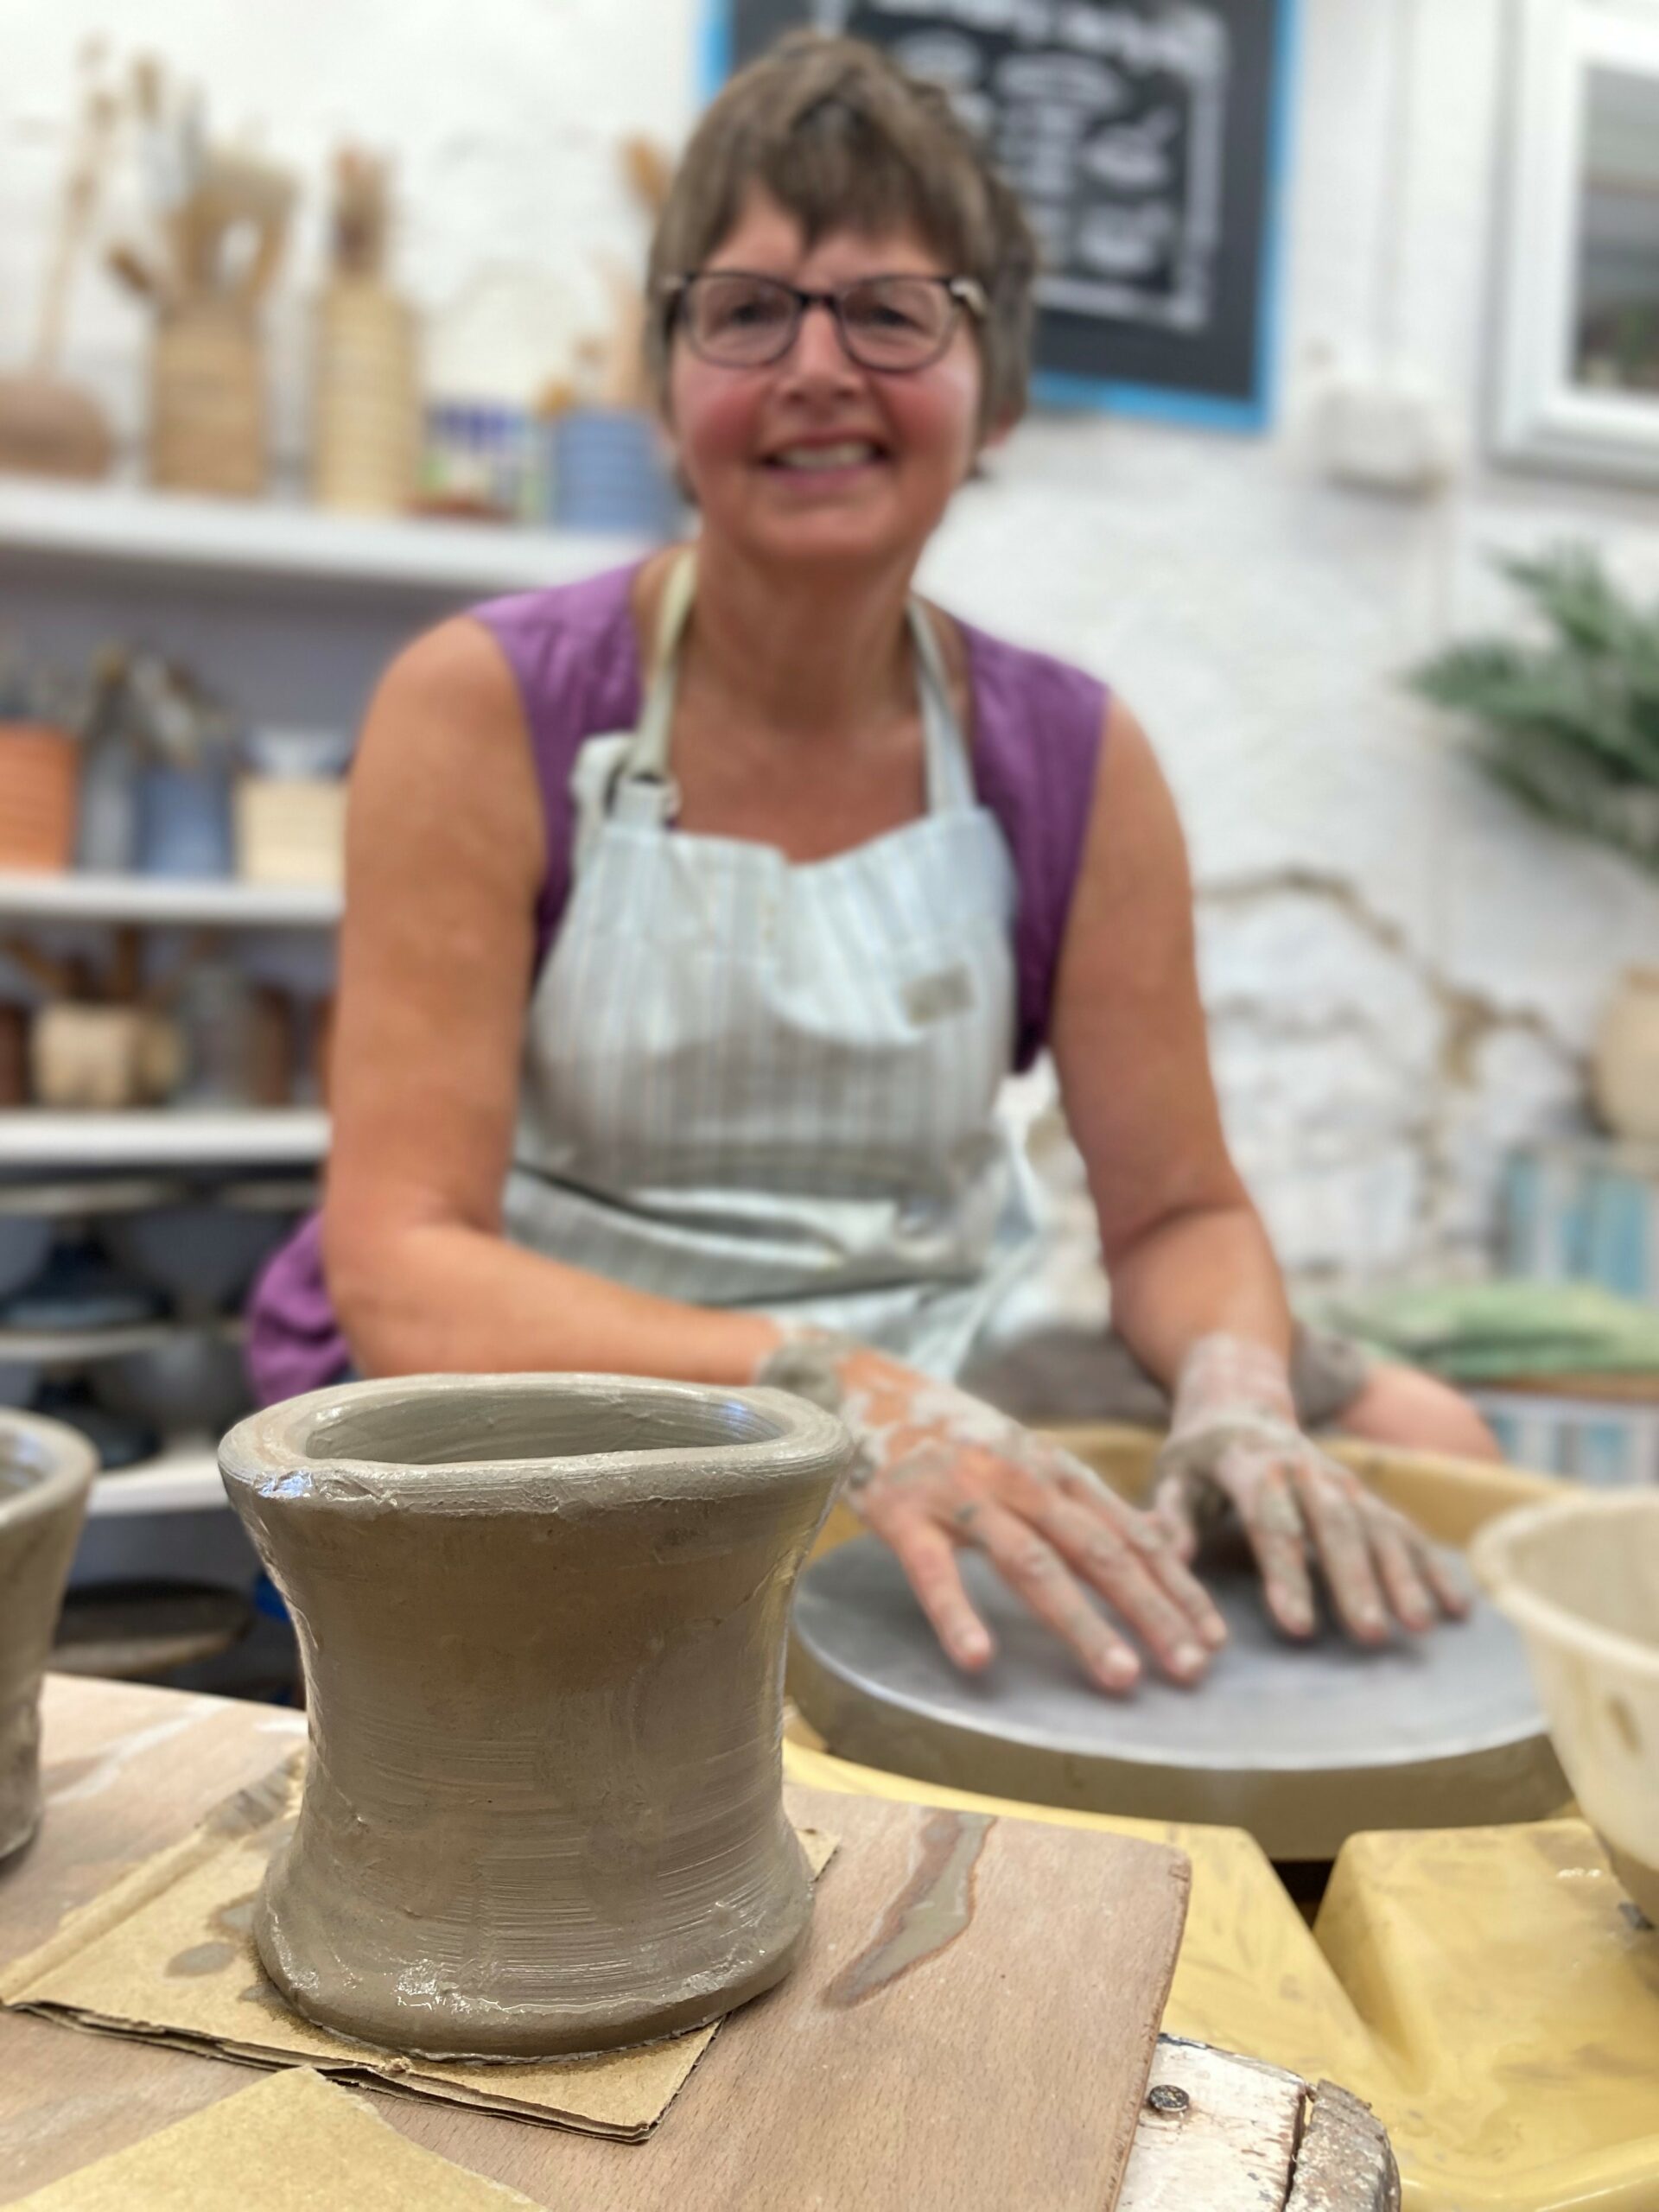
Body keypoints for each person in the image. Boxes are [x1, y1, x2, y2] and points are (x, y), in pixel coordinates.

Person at [249, 33, 1495, 1695]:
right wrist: (824, 1387)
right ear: (667, 382)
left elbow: (1182, 1209)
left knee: (1421, 1428)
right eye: (748, 310)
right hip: (555, 1382)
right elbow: (403, 1264)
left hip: (929, 1367)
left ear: (998, 390)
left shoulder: (1069, 757)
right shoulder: (490, 707)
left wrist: (1239, 1394)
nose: (817, 368)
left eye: (893, 311)